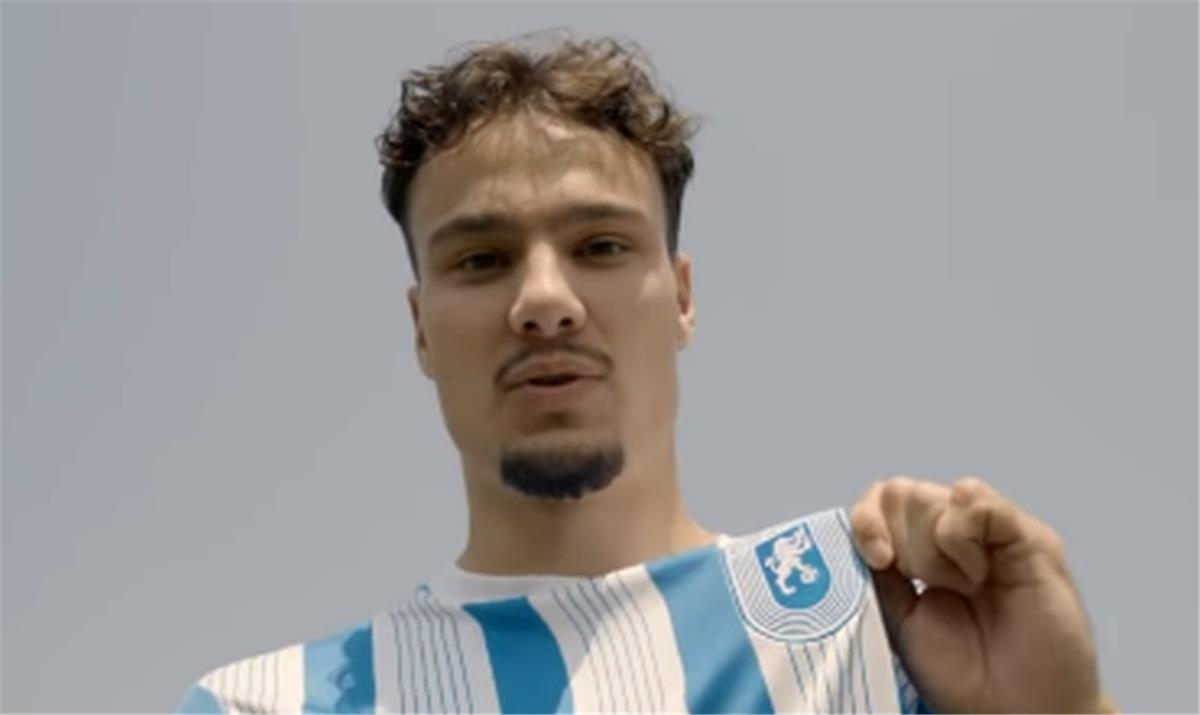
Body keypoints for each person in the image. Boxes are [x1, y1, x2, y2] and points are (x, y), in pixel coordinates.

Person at [177, 34, 1116, 714]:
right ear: (422, 328)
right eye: (482, 259)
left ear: (683, 297)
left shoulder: (878, 632)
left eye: (599, 245)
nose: (545, 300)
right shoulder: (266, 705)